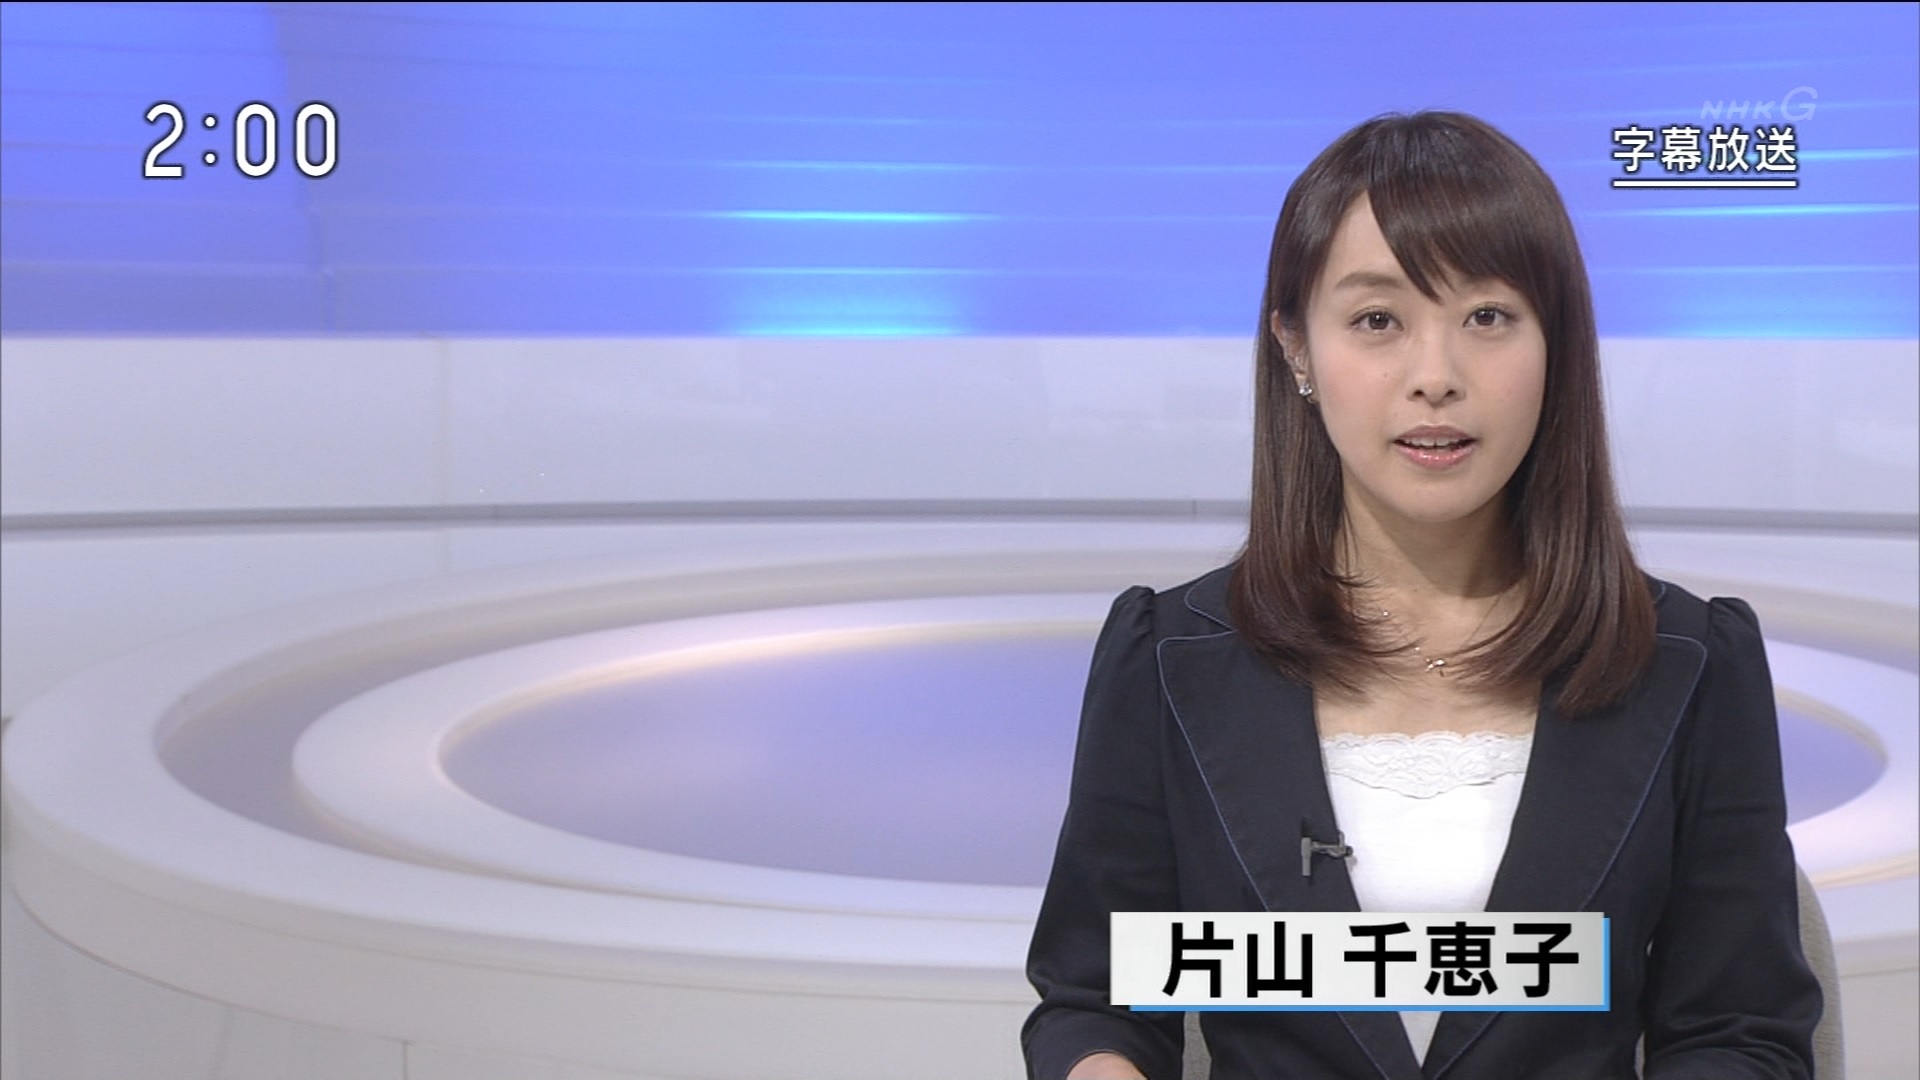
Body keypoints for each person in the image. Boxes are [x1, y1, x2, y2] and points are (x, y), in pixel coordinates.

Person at [1022, 112, 1822, 1080]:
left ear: (1556, 344)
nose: (1435, 378)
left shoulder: (1686, 664)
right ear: (1296, 347)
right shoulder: (1166, 659)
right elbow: (1098, 999)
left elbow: (1738, 1033)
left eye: (1487, 317)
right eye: (1378, 321)